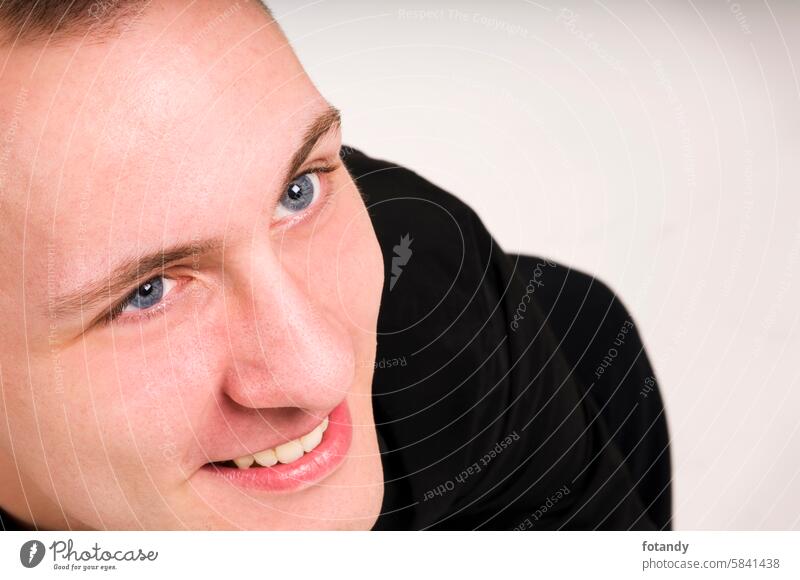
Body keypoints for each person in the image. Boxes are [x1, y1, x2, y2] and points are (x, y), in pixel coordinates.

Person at [0, 0, 671, 531]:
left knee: (575, 323)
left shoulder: (432, 298)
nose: (320, 372)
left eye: (299, 190)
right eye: (146, 293)